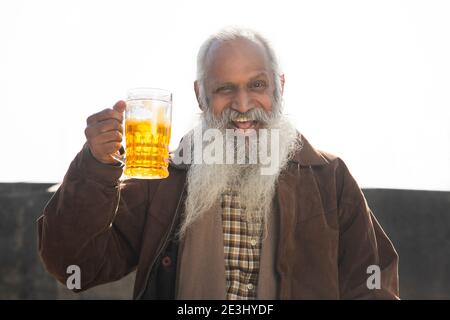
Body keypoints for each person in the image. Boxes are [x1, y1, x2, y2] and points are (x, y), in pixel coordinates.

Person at [37, 27, 399, 299]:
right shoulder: (161, 178)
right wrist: (96, 166)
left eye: (256, 84)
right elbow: (76, 268)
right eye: (225, 88)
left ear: (279, 87)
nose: (243, 105)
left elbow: (372, 280)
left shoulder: (328, 177)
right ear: (200, 95)